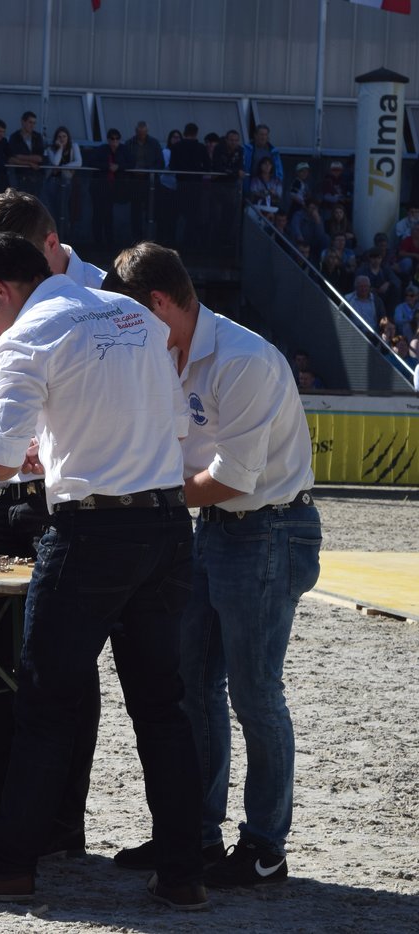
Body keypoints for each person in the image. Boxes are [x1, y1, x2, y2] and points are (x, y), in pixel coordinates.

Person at [0, 233, 203, 910]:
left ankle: (10, 863)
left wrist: (17, 452)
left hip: (91, 532)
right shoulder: (134, 315)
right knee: (162, 705)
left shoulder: (28, 334)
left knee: (45, 703)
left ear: (0, 291)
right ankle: (183, 870)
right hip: (166, 524)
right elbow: (166, 422)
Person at [104, 242, 321, 888]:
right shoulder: (167, 352)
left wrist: (141, 493)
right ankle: (192, 834)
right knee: (192, 683)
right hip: (217, 528)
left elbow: (232, 478)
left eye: (132, 320)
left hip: (269, 528)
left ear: (159, 304)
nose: (127, 334)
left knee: (255, 693)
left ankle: (264, 848)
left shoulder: (242, 359)